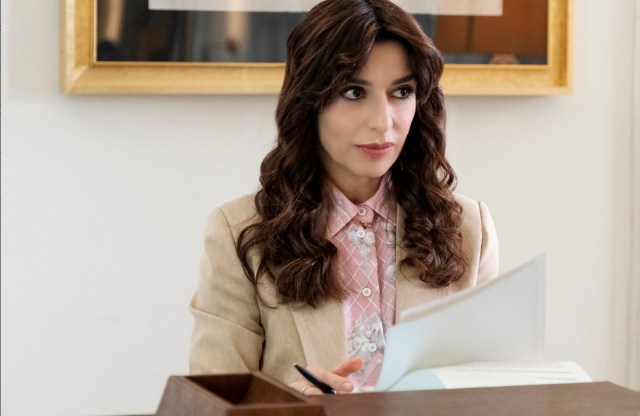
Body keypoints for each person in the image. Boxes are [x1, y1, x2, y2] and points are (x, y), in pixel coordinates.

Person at [188, 0, 499, 395]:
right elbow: (215, 402)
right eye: (354, 91)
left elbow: (489, 393)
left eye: (402, 91)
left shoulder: (469, 228)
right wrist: (292, 406)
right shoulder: (238, 234)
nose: (383, 122)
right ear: (309, 101)